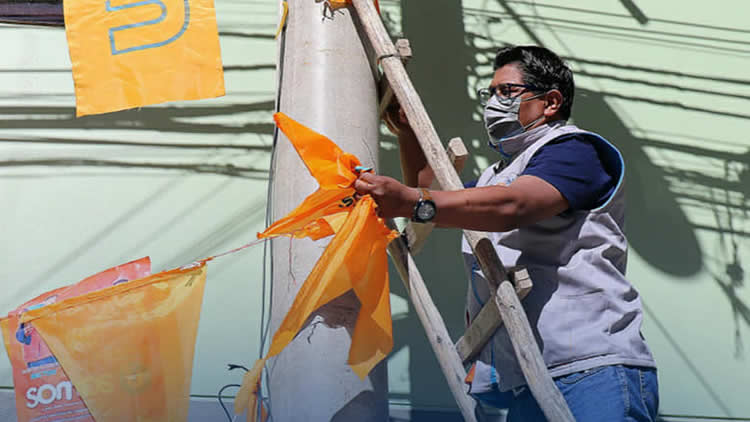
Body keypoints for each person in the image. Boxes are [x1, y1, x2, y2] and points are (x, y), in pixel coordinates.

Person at [353, 45, 659, 421]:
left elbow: (512, 207)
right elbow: (438, 193)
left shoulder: (575, 151)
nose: (493, 103)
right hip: (526, 379)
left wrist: (413, 202)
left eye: (507, 92)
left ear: (550, 102)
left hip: (588, 367)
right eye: (491, 93)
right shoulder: (498, 175)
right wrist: (406, 130)